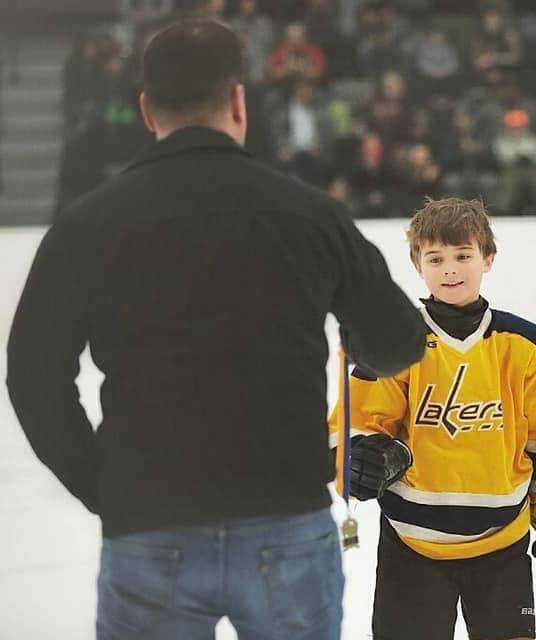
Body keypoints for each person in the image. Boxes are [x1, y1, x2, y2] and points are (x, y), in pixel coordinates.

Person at [6, 19, 424, 640]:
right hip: (286, 518)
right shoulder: (310, 215)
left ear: (148, 110)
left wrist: (105, 487)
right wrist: (353, 334)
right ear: (237, 101)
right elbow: (398, 341)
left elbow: (33, 376)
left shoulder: (88, 225)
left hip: (149, 523)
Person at [329, 197, 536, 640]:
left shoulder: (523, 344)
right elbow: (354, 425)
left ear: (487, 258)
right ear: (417, 265)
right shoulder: (395, 338)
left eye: (462, 255)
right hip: (411, 548)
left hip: (501, 549)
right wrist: (363, 456)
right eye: (435, 258)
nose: (450, 268)